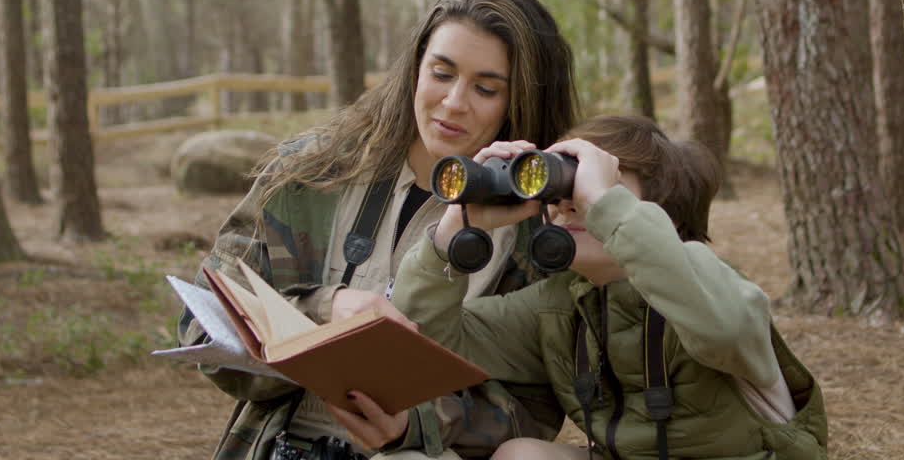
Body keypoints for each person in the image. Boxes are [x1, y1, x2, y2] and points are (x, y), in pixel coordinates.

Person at [178, 0, 580, 460]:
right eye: (441, 73)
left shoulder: (540, 230)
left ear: (520, 101)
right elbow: (202, 326)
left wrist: (418, 424)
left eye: (486, 88)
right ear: (415, 68)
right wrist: (326, 310)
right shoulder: (311, 175)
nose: (454, 102)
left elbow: (535, 409)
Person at [330, 115, 827, 460]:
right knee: (521, 454)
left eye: (590, 186)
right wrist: (454, 232)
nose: (569, 202)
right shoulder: (564, 303)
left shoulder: (710, 279)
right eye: (561, 188)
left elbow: (717, 329)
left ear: (658, 216)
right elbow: (429, 339)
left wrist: (604, 205)